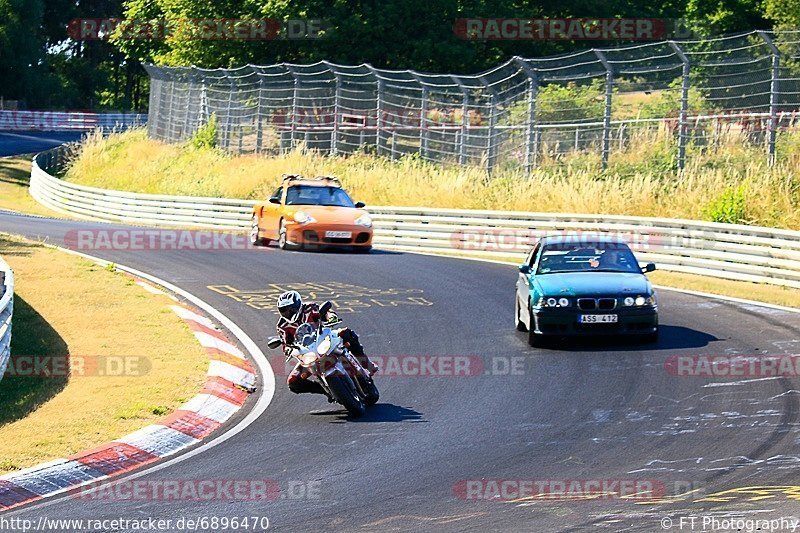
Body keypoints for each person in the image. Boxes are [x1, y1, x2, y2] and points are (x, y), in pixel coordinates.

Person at [276, 290, 378, 398]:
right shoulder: (282, 325)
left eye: (290, 309)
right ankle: (328, 391)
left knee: (347, 333)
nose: (288, 313)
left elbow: (327, 312)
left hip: (325, 339)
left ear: (298, 304)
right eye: (284, 311)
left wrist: (331, 317)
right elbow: (285, 344)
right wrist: (287, 349)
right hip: (308, 354)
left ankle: (367, 364)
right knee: (293, 382)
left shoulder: (310, 308)